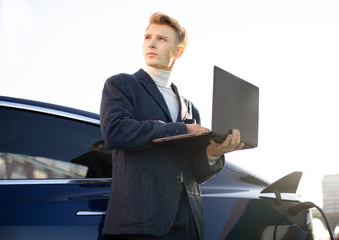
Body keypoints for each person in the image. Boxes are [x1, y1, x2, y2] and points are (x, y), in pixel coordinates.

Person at [100, 12, 244, 239]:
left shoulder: (190, 108)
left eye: (161, 39)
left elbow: (196, 173)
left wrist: (214, 153)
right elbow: (116, 132)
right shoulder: (121, 85)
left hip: (189, 223)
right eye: (148, 37)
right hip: (140, 224)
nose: (151, 43)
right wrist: (182, 129)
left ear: (178, 51)